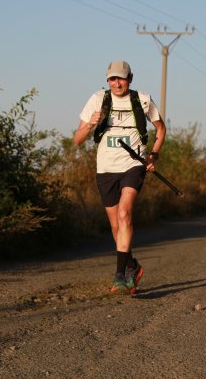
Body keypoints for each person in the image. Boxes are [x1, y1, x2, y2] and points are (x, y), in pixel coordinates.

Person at [73, 60, 166, 294]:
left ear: (130, 79)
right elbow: (77, 139)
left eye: (121, 78)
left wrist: (153, 155)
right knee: (116, 226)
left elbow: (161, 128)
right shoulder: (98, 99)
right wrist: (90, 125)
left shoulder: (142, 99)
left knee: (125, 214)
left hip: (133, 164)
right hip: (105, 169)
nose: (117, 83)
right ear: (107, 80)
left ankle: (119, 277)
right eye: (112, 79)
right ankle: (132, 267)